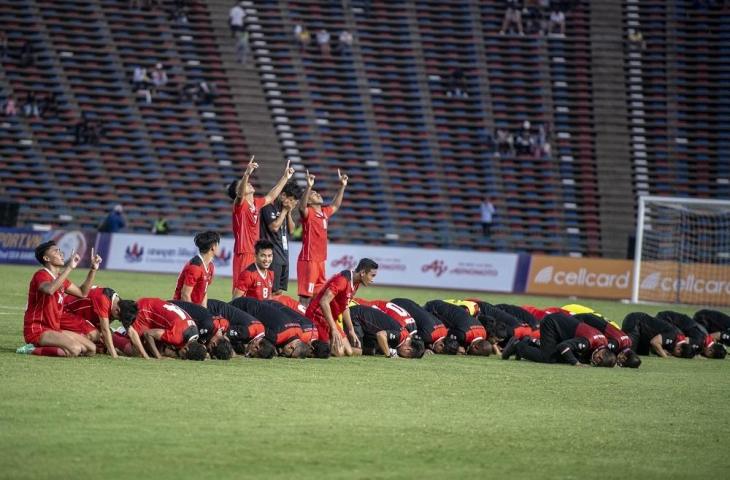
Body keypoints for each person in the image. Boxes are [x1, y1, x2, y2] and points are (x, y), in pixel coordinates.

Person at [18, 241, 101, 357]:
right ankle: (30, 349)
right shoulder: (41, 275)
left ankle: (55, 348)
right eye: (56, 251)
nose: (61, 253)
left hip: (53, 329)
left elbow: (83, 293)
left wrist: (93, 269)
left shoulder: (60, 279)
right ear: (46, 258)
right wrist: (70, 268)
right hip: (38, 330)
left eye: (60, 251)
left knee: (91, 349)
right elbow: (50, 290)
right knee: (75, 349)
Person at [228, 156, 295, 292]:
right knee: (240, 290)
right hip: (243, 253)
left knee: (257, 290)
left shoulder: (256, 204)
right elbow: (240, 196)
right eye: (244, 184)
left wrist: (285, 177)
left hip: (256, 253)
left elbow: (271, 196)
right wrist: (246, 174)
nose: (248, 183)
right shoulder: (240, 205)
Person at [305, 258, 378, 357]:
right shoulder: (342, 280)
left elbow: (345, 306)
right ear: (363, 272)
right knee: (338, 352)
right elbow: (324, 301)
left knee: (349, 351)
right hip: (317, 317)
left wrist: (351, 330)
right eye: (372, 275)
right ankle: (313, 345)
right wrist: (334, 328)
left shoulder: (355, 283)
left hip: (330, 319)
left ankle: (330, 344)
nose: (372, 280)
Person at [297, 168, 348, 305]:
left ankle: (312, 323)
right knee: (305, 297)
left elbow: (336, 205)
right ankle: (302, 323)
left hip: (320, 261)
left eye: (316, 192)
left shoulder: (324, 213)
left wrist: (342, 186)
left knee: (318, 296)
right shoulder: (309, 213)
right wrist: (309, 187)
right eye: (314, 194)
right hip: (309, 260)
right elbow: (301, 208)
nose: (317, 194)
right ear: (309, 201)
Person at [504, 312, 616, 367]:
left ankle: (528, 342)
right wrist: (576, 363)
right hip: (552, 323)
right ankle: (517, 346)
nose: (593, 362)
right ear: (600, 355)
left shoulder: (603, 342)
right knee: (548, 358)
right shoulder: (587, 342)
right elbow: (563, 346)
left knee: (560, 355)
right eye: (596, 362)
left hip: (560, 324)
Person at [120, 298, 207, 360]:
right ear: (186, 349)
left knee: (152, 350)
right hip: (144, 311)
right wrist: (159, 357)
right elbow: (148, 334)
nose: (180, 358)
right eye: (183, 356)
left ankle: (125, 333)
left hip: (154, 309)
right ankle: (115, 335)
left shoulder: (194, 332)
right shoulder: (178, 337)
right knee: (136, 352)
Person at [260, 181, 300, 295]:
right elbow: (274, 227)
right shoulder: (269, 207)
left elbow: (292, 231)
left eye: (295, 201)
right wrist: (284, 211)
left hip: (284, 254)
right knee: (271, 291)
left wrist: (289, 213)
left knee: (279, 291)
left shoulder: (286, 210)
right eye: (291, 200)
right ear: (283, 195)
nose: (293, 203)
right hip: (273, 255)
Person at [62, 286, 124, 358]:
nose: (117, 320)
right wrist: (114, 354)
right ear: (117, 310)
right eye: (118, 318)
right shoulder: (104, 299)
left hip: (76, 314)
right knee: (94, 335)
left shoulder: (114, 301)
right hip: (66, 310)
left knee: (101, 344)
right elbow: (104, 330)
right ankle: (60, 339)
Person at [349, 305, 425, 358]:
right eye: (407, 356)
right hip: (356, 317)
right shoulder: (401, 335)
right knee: (358, 351)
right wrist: (388, 354)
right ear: (408, 349)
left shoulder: (403, 334)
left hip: (360, 317)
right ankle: (340, 348)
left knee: (372, 350)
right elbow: (380, 335)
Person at [424, 300, 492, 356]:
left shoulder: (483, 333)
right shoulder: (463, 334)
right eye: (475, 354)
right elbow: (442, 336)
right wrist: (456, 349)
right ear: (476, 347)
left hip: (439, 306)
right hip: (433, 309)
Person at [173, 231, 219, 307]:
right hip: (182, 309)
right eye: (217, 245)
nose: (219, 248)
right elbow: (185, 295)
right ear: (213, 247)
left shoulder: (210, 266)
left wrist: (204, 311)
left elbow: (204, 292)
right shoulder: (195, 267)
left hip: (196, 308)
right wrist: (195, 315)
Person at [620, 313, 694, 359]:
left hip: (642, 333)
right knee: (628, 354)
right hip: (635, 322)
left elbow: (655, 346)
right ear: (679, 349)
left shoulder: (677, 337)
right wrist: (665, 356)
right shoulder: (673, 335)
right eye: (676, 355)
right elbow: (654, 342)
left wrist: (662, 351)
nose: (673, 355)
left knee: (642, 354)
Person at [656, 311, 726, 359]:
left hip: (668, 316)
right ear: (710, 351)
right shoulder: (699, 342)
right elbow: (684, 342)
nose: (707, 356)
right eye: (709, 356)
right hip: (666, 319)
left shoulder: (706, 338)